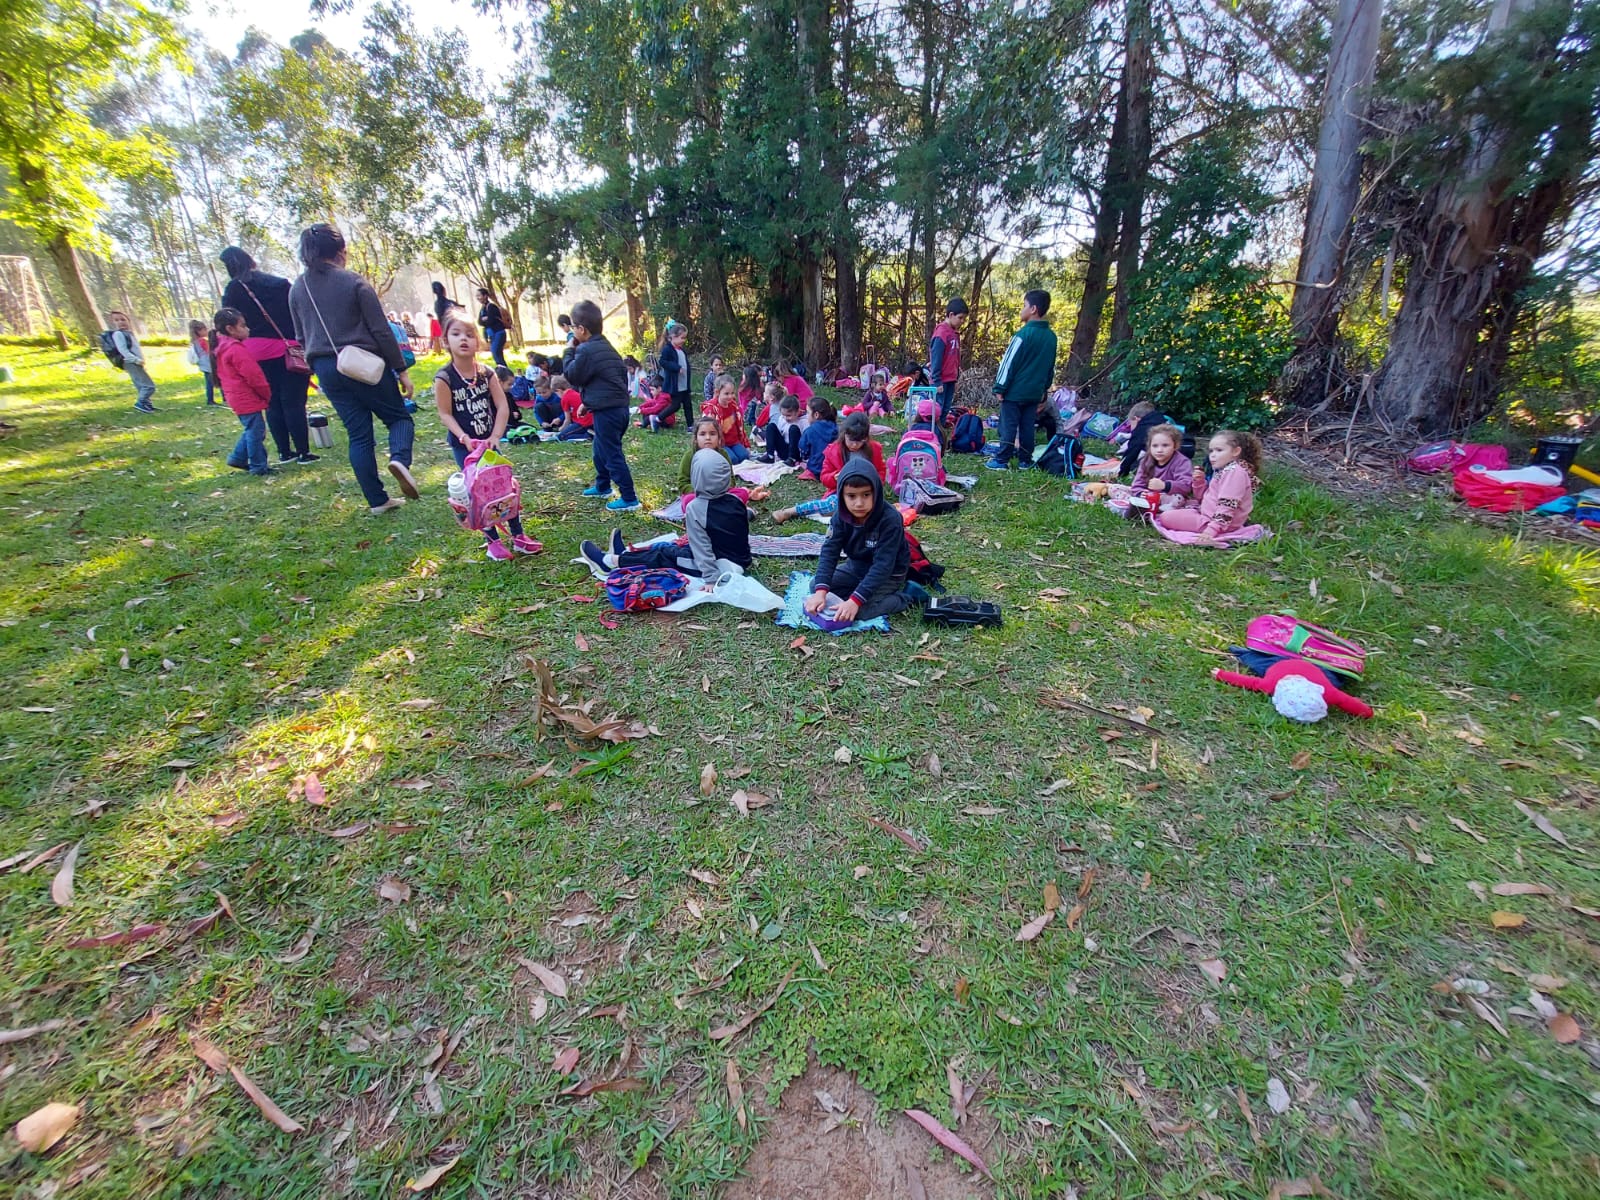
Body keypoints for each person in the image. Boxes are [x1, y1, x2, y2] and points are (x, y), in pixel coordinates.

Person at [288, 223, 417, 515]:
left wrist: (316, 367)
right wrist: (401, 369)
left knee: (359, 434)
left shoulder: (298, 288)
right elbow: (381, 330)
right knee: (399, 418)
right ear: (341, 252)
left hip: (326, 367)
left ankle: (377, 501)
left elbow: (300, 337)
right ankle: (399, 460)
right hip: (363, 362)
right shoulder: (353, 282)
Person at [433, 313, 541, 559]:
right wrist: (463, 438)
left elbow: (502, 406)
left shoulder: (487, 373)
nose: (464, 340)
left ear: (478, 341)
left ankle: (518, 536)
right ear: (446, 341)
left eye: (470, 335)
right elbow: (445, 414)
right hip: (466, 448)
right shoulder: (444, 378)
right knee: (477, 493)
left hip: (490, 445)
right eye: (456, 334)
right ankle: (492, 542)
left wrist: (496, 435)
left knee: (504, 489)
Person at [581, 449, 751, 586]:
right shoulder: (735, 499)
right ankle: (626, 554)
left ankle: (609, 562)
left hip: (718, 565)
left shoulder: (696, 508)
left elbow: (702, 548)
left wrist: (711, 579)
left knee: (662, 556)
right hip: (738, 558)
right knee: (667, 548)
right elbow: (742, 523)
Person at [219, 246, 315, 465]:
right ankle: (303, 452)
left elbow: (227, 320)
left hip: (256, 353)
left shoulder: (233, 290)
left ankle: (284, 451)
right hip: (287, 348)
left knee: (272, 403)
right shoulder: (279, 284)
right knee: (294, 402)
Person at [803, 459, 914, 622]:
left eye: (866, 495)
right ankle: (858, 592)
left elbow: (883, 566)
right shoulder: (839, 517)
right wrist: (821, 592)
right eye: (851, 496)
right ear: (841, 495)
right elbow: (829, 553)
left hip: (890, 573)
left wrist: (855, 601)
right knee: (816, 586)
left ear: (876, 492)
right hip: (856, 567)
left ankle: (903, 599)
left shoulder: (890, 519)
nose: (859, 503)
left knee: (858, 613)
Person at [563, 300, 638, 511]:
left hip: (608, 413)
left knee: (612, 453)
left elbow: (572, 375)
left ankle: (630, 497)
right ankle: (602, 485)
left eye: (573, 327)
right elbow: (608, 382)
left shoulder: (586, 350)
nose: (572, 331)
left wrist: (568, 351)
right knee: (599, 449)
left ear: (581, 329)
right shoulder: (607, 348)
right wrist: (587, 404)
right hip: (618, 410)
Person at [987, 288, 1058, 471]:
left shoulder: (1022, 335)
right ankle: (1025, 460)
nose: (1022, 310)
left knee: (1008, 425)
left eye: (1024, 306)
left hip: (1015, 391)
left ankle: (1002, 459)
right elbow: (1050, 366)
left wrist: (1000, 387)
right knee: (1027, 426)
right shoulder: (1051, 337)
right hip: (1034, 392)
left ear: (1033, 309)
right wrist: (1044, 390)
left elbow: (1008, 364)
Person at [1152, 431, 1263, 546]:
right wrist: (1199, 482)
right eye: (1211, 451)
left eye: (1219, 450)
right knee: (1171, 513)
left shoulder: (1234, 472)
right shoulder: (1225, 470)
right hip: (1208, 515)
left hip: (1219, 523)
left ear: (1235, 451)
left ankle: (1210, 527)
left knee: (1166, 517)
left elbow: (1228, 504)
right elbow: (1204, 497)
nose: (1213, 455)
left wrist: (1211, 531)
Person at [772, 411, 885, 523]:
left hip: (867, 492)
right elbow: (824, 477)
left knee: (875, 509)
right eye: (851, 440)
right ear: (844, 434)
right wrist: (834, 477)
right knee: (834, 505)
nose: (855, 445)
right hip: (842, 493)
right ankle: (791, 511)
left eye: (860, 441)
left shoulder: (874, 449)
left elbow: (881, 471)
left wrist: (874, 481)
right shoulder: (833, 451)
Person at [211, 307, 273, 476]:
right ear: (230, 329)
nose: (247, 329)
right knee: (256, 432)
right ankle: (258, 466)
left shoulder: (222, 348)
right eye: (243, 325)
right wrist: (266, 393)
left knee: (252, 428)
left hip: (236, 396)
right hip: (246, 397)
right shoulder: (234, 349)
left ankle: (238, 457)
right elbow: (254, 376)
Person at [1129, 423, 1194, 503]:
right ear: (1149, 447)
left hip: (1168, 497)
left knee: (1178, 499)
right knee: (1115, 488)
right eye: (1155, 446)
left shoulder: (1182, 462)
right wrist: (1140, 493)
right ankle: (1141, 504)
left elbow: (1186, 486)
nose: (1159, 450)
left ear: (1175, 446)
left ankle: (1161, 510)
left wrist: (1164, 485)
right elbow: (1137, 484)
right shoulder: (1146, 461)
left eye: (1165, 445)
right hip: (1148, 495)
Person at [928, 297, 968, 422]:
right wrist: (937, 380)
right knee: (937, 408)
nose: (962, 321)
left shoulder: (954, 333)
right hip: (941, 380)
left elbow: (955, 358)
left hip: (950, 379)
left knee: (946, 408)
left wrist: (955, 378)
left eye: (964, 319)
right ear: (951, 315)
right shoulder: (941, 333)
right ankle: (934, 432)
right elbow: (936, 359)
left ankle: (941, 430)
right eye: (960, 318)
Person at [109, 311, 157, 413]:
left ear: (128, 321)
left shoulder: (129, 334)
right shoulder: (118, 334)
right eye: (116, 320)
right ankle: (140, 402)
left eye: (123, 319)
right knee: (149, 386)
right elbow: (123, 350)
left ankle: (147, 405)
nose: (121, 322)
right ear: (113, 322)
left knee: (140, 385)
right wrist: (136, 360)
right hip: (130, 362)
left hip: (136, 362)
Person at [1117, 401, 1175, 477]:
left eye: (1130, 423)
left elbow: (1133, 450)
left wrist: (1122, 471)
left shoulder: (1142, 428)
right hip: (1178, 456)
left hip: (1162, 459)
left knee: (1136, 463)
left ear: (1136, 419)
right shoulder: (1162, 421)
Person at [657, 320, 693, 426]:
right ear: (672, 336)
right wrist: (676, 368)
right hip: (675, 385)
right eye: (682, 338)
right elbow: (663, 362)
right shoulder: (668, 349)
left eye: (684, 338)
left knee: (688, 404)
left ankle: (690, 425)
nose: (683, 340)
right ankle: (658, 418)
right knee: (675, 405)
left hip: (684, 383)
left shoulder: (681, 350)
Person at [798, 397, 838, 481]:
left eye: (808, 413)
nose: (806, 416)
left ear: (816, 415)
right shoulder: (837, 429)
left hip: (816, 469)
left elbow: (803, 449)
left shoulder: (809, 431)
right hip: (833, 469)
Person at [760, 394, 804, 466]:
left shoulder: (803, 421)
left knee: (793, 428)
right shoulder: (781, 419)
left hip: (797, 452)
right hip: (784, 450)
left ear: (797, 412)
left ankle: (792, 459)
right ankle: (770, 456)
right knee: (771, 426)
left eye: (789, 415)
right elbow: (779, 434)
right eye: (783, 415)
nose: (786, 418)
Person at [188, 319, 219, 407]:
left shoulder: (194, 342)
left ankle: (210, 399)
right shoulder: (202, 341)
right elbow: (210, 351)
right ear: (199, 331)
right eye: (204, 329)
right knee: (213, 382)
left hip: (203, 364)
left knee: (209, 382)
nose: (206, 331)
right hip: (209, 364)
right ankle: (211, 400)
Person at [476, 288, 510, 367]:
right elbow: (479, 322)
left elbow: (490, 321)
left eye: (479, 295)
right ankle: (504, 373)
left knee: (496, 354)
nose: (477, 298)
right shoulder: (483, 308)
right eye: (476, 296)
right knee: (497, 355)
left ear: (485, 296)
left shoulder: (491, 307)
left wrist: (485, 319)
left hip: (499, 333)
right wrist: (485, 319)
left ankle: (504, 373)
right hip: (492, 335)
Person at [555, 376, 592, 441]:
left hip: (583, 422)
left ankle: (588, 436)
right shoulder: (574, 392)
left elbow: (567, 420)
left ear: (559, 390)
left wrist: (561, 429)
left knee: (561, 436)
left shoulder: (565, 398)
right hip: (591, 420)